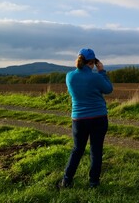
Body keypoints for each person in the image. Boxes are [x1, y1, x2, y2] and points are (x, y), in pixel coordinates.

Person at [58, 48, 113, 189]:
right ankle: (93, 183)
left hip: (78, 119)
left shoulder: (69, 76)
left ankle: (66, 180)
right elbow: (108, 89)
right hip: (98, 118)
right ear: (93, 62)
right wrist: (102, 71)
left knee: (77, 149)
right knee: (96, 150)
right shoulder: (96, 77)